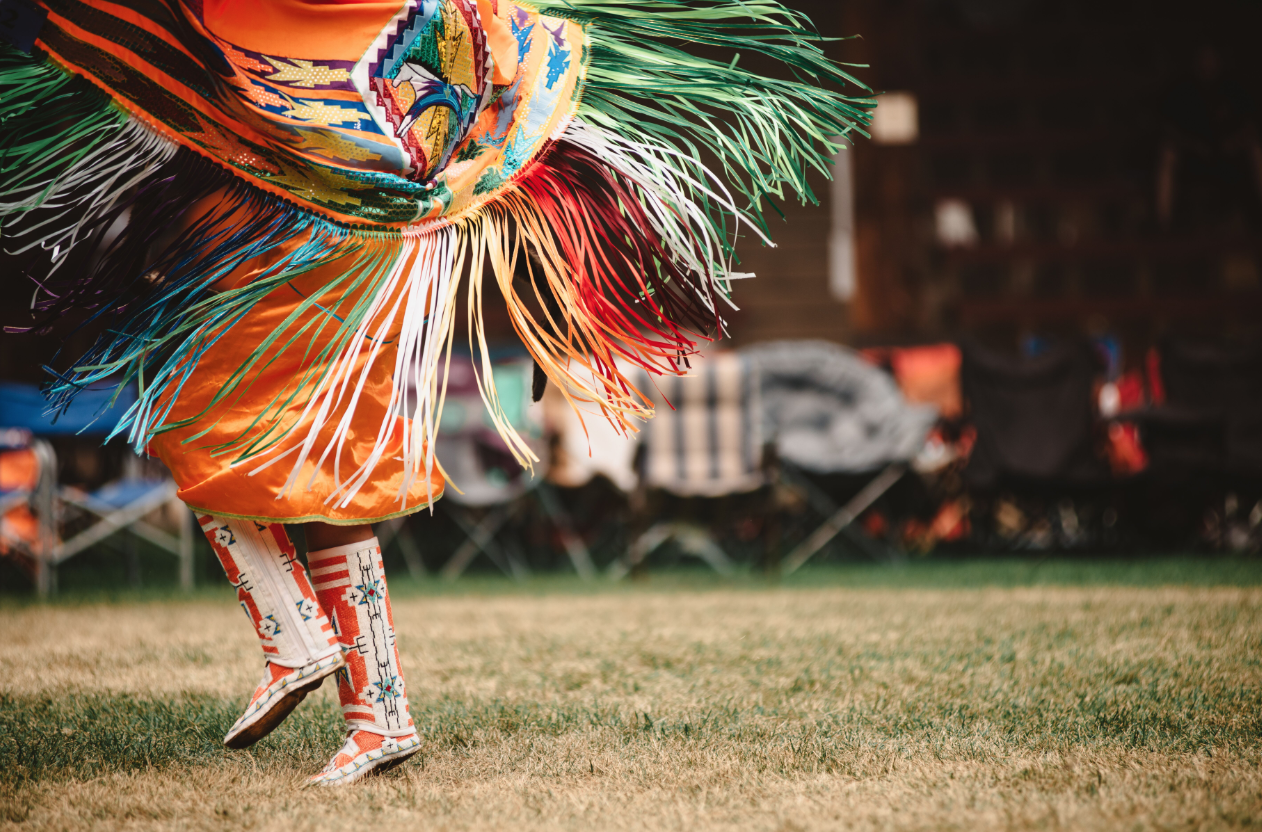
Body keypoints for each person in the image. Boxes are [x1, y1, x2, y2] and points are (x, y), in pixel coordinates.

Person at [0, 0, 872, 785]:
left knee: (190, 411)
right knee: (335, 463)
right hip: (381, 226)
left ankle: (293, 637)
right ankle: (378, 719)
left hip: (288, 213)